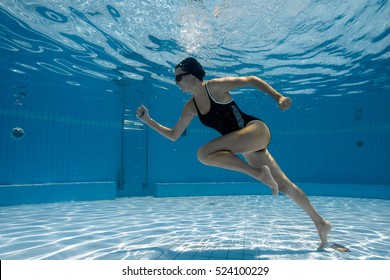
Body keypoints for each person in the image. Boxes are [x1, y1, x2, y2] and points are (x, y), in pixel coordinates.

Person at [136, 57, 332, 249]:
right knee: (284, 186)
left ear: (193, 75)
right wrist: (148, 120)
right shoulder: (190, 107)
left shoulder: (215, 87)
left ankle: (258, 174)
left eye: (178, 77)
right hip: (246, 146)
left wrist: (278, 97)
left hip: (255, 130)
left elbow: (251, 80)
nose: (176, 82)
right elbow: (173, 134)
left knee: (203, 153)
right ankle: (320, 222)